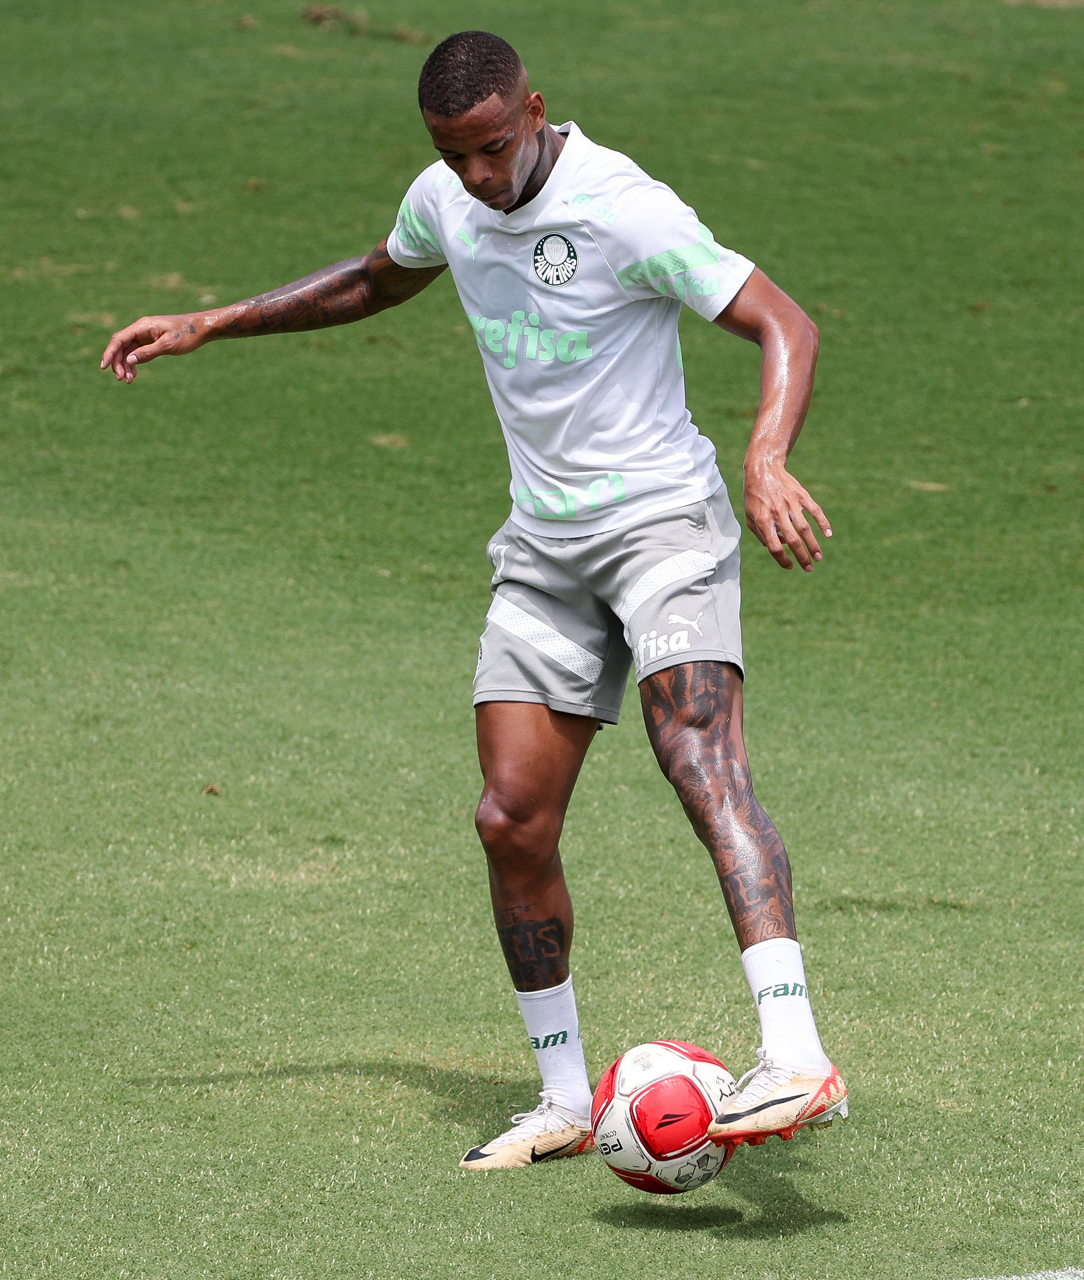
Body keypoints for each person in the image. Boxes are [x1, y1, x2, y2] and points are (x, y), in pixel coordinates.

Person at [101, 30, 848, 1172]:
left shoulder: (623, 206)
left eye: (494, 149)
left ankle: (796, 1053)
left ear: (534, 110)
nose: (479, 177)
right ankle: (563, 1098)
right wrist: (213, 321)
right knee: (510, 818)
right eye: (455, 156)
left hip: (662, 526)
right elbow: (376, 277)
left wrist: (764, 455)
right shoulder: (446, 197)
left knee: (697, 756)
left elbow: (783, 321)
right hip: (545, 548)